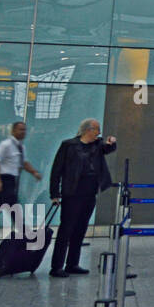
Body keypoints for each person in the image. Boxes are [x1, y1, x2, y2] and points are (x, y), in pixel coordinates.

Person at [48, 118, 117, 277]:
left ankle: (72, 263)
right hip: (72, 193)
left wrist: (112, 142)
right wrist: (54, 194)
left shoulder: (98, 145)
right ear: (88, 130)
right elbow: (56, 170)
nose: (99, 133)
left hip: (89, 193)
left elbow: (109, 148)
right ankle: (56, 266)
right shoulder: (69, 145)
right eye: (96, 129)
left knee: (80, 229)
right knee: (66, 229)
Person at [0, 121, 41, 240]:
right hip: (4, 179)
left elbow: (24, 163)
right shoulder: (5, 144)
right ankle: (24, 232)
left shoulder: (21, 147)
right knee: (13, 207)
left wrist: (34, 172)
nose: (23, 132)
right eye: (20, 129)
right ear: (13, 131)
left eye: (24, 130)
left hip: (12, 180)